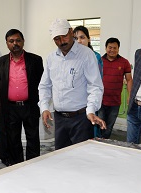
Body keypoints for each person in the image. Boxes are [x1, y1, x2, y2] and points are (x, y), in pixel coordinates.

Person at [38, 19, 106, 150]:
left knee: (82, 158)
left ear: (71, 32)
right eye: (57, 39)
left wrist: (91, 110)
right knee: (61, 157)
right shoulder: (51, 58)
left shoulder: (86, 55)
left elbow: (95, 86)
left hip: (81, 119)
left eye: (64, 36)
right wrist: (45, 107)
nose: (62, 41)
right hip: (59, 119)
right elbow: (44, 85)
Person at [0, 29, 43, 165]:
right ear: (6, 43)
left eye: (18, 40)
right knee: (13, 138)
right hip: (10, 108)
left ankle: (33, 164)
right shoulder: (0, 62)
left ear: (23, 42)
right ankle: (18, 165)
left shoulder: (35, 60)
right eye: (11, 41)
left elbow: (43, 83)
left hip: (30, 105)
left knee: (33, 137)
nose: (15, 43)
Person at [98, 37, 133, 139]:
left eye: (115, 48)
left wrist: (130, 96)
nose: (112, 50)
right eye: (110, 47)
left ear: (118, 49)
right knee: (99, 125)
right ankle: (98, 144)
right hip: (100, 100)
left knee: (109, 127)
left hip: (115, 102)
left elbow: (129, 79)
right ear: (105, 48)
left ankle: (104, 143)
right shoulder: (99, 61)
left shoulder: (124, 62)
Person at [73, 25, 103, 138]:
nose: (79, 41)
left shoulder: (95, 57)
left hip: (89, 101)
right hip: (75, 104)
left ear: (89, 39)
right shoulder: (72, 57)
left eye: (82, 37)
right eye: (75, 38)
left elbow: (96, 83)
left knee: (89, 133)